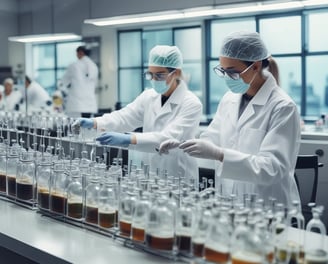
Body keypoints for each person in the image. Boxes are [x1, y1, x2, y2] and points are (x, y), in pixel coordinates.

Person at [160, 31, 301, 207]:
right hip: (229, 202)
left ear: (256, 66)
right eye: (223, 71)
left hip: (267, 208)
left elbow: (272, 169)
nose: (227, 78)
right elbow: (211, 139)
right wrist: (183, 145)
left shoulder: (282, 107)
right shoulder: (229, 99)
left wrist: (220, 154)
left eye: (233, 72)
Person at [73, 45, 203, 180]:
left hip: (178, 175)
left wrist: (129, 139)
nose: (153, 80)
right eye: (150, 74)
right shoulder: (148, 96)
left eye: (159, 75)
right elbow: (124, 117)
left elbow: (167, 138)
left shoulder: (191, 103)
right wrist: (95, 122)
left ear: (175, 73)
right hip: (150, 173)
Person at [59, 46, 98, 117]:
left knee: (76, 124)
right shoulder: (94, 66)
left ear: (81, 52)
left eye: (76, 53)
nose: (76, 55)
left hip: (76, 103)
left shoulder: (74, 65)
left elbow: (64, 81)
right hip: (89, 102)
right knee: (87, 123)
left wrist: (63, 87)